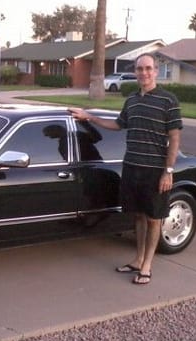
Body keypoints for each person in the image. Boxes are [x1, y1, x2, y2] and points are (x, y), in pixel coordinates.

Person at [69, 53, 182, 285]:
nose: (144, 73)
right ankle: (138, 259)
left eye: (148, 68)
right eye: (140, 69)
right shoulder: (131, 100)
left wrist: (168, 171)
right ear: (136, 72)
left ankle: (147, 266)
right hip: (131, 167)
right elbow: (118, 125)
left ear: (156, 71)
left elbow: (175, 138)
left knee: (153, 218)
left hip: (154, 170)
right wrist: (89, 117)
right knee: (139, 216)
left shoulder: (168, 101)